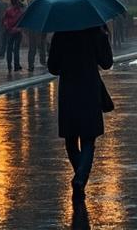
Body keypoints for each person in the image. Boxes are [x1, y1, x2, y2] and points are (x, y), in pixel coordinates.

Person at [47, 25, 115, 196]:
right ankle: (80, 178)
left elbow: (53, 68)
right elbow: (107, 63)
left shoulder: (61, 33)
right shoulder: (95, 32)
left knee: (71, 140)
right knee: (88, 139)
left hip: (68, 91)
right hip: (89, 90)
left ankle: (80, 176)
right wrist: (104, 38)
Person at [2, 0, 25, 72]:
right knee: (16, 49)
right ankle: (16, 65)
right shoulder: (20, 11)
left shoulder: (8, 10)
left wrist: (8, 28)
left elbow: (4, 21)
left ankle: (9, 65)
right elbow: (22, 21)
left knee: (9, 49)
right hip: (18, 32)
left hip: (10, 32)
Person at [26, 0, 48, 72]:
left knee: (33, 47)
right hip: (39, 28)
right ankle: (42, 62)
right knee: (41, 46)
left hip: (33, 28)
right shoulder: (43, 3)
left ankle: (31, 65)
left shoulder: (30, 4)